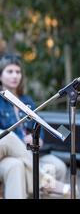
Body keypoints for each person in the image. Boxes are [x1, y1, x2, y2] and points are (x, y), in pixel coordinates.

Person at [0, 54, 69, 198]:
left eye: (18, 72)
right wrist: (20, 140)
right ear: (0, 76)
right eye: (10, 71)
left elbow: (40, 123)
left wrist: (39, 138)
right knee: (9, 137)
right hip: (6, 154)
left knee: (58, 166)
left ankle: (46, 183)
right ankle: (47, 182)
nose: (15, 76)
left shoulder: (27, 100)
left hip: (29, 153)